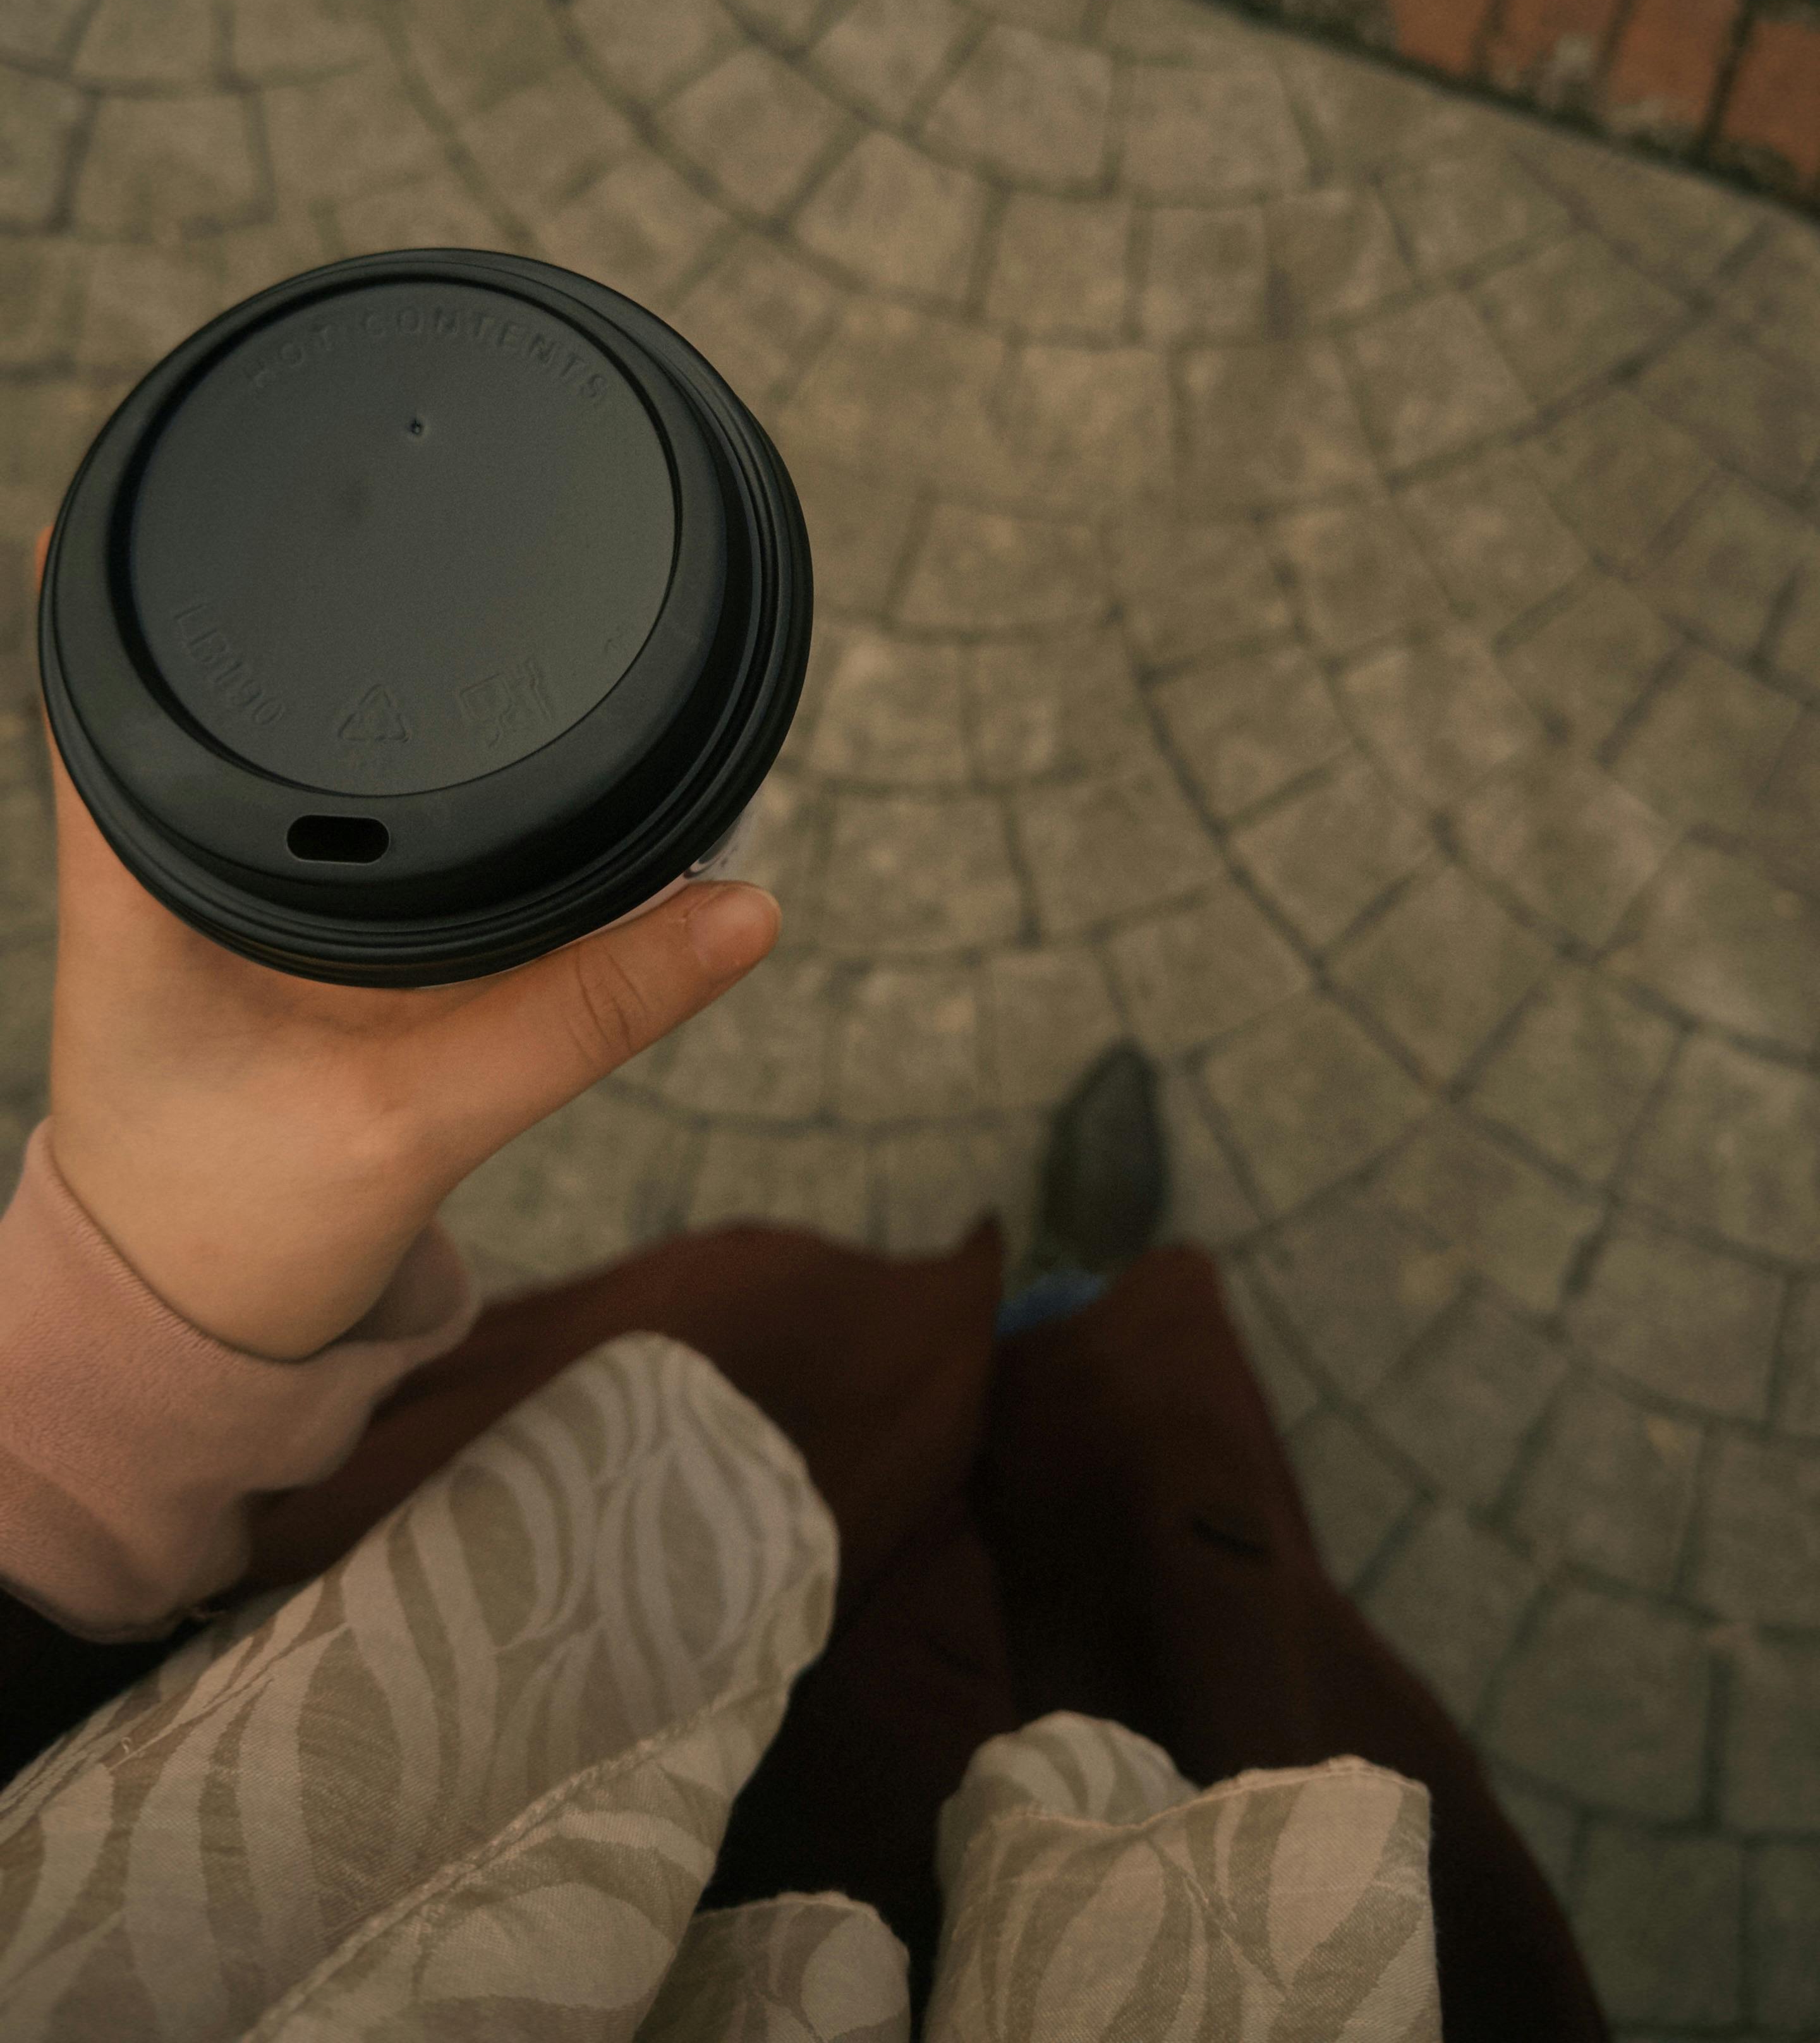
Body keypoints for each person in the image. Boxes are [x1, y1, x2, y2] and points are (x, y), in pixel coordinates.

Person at [0, 531, 1610, 2040]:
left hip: (502, 1641)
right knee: (1150, 1576)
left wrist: (115, 1350)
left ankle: (1033, 1323)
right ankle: (1076, 1322)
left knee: (813, 1369)